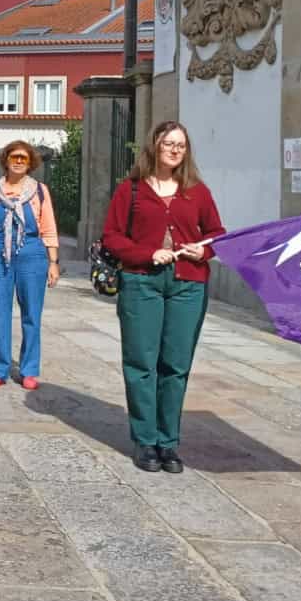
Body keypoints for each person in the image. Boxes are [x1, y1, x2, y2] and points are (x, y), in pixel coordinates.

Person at [101, 120, 225, 474]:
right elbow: (111, 236)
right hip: (142, 282)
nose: (174, 150)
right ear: (154, 146)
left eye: (181, 145)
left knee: (175, 365)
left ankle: (168, 442)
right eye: (168, 143)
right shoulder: (132, 190)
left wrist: (202, 252)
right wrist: (146, 253)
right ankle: (145, 440)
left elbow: (216, 234)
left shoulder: (197, 191)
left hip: (188, 284)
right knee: (141, 363)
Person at [0, 140, 60, 390]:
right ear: (6, 160)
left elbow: (49, 228)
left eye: (24, 158)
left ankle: (29, 369)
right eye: (14, 157)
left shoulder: (39, 191)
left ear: (30, 162)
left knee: (32, 314)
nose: (19, 161)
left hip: (32, 253)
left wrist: (53, 262)